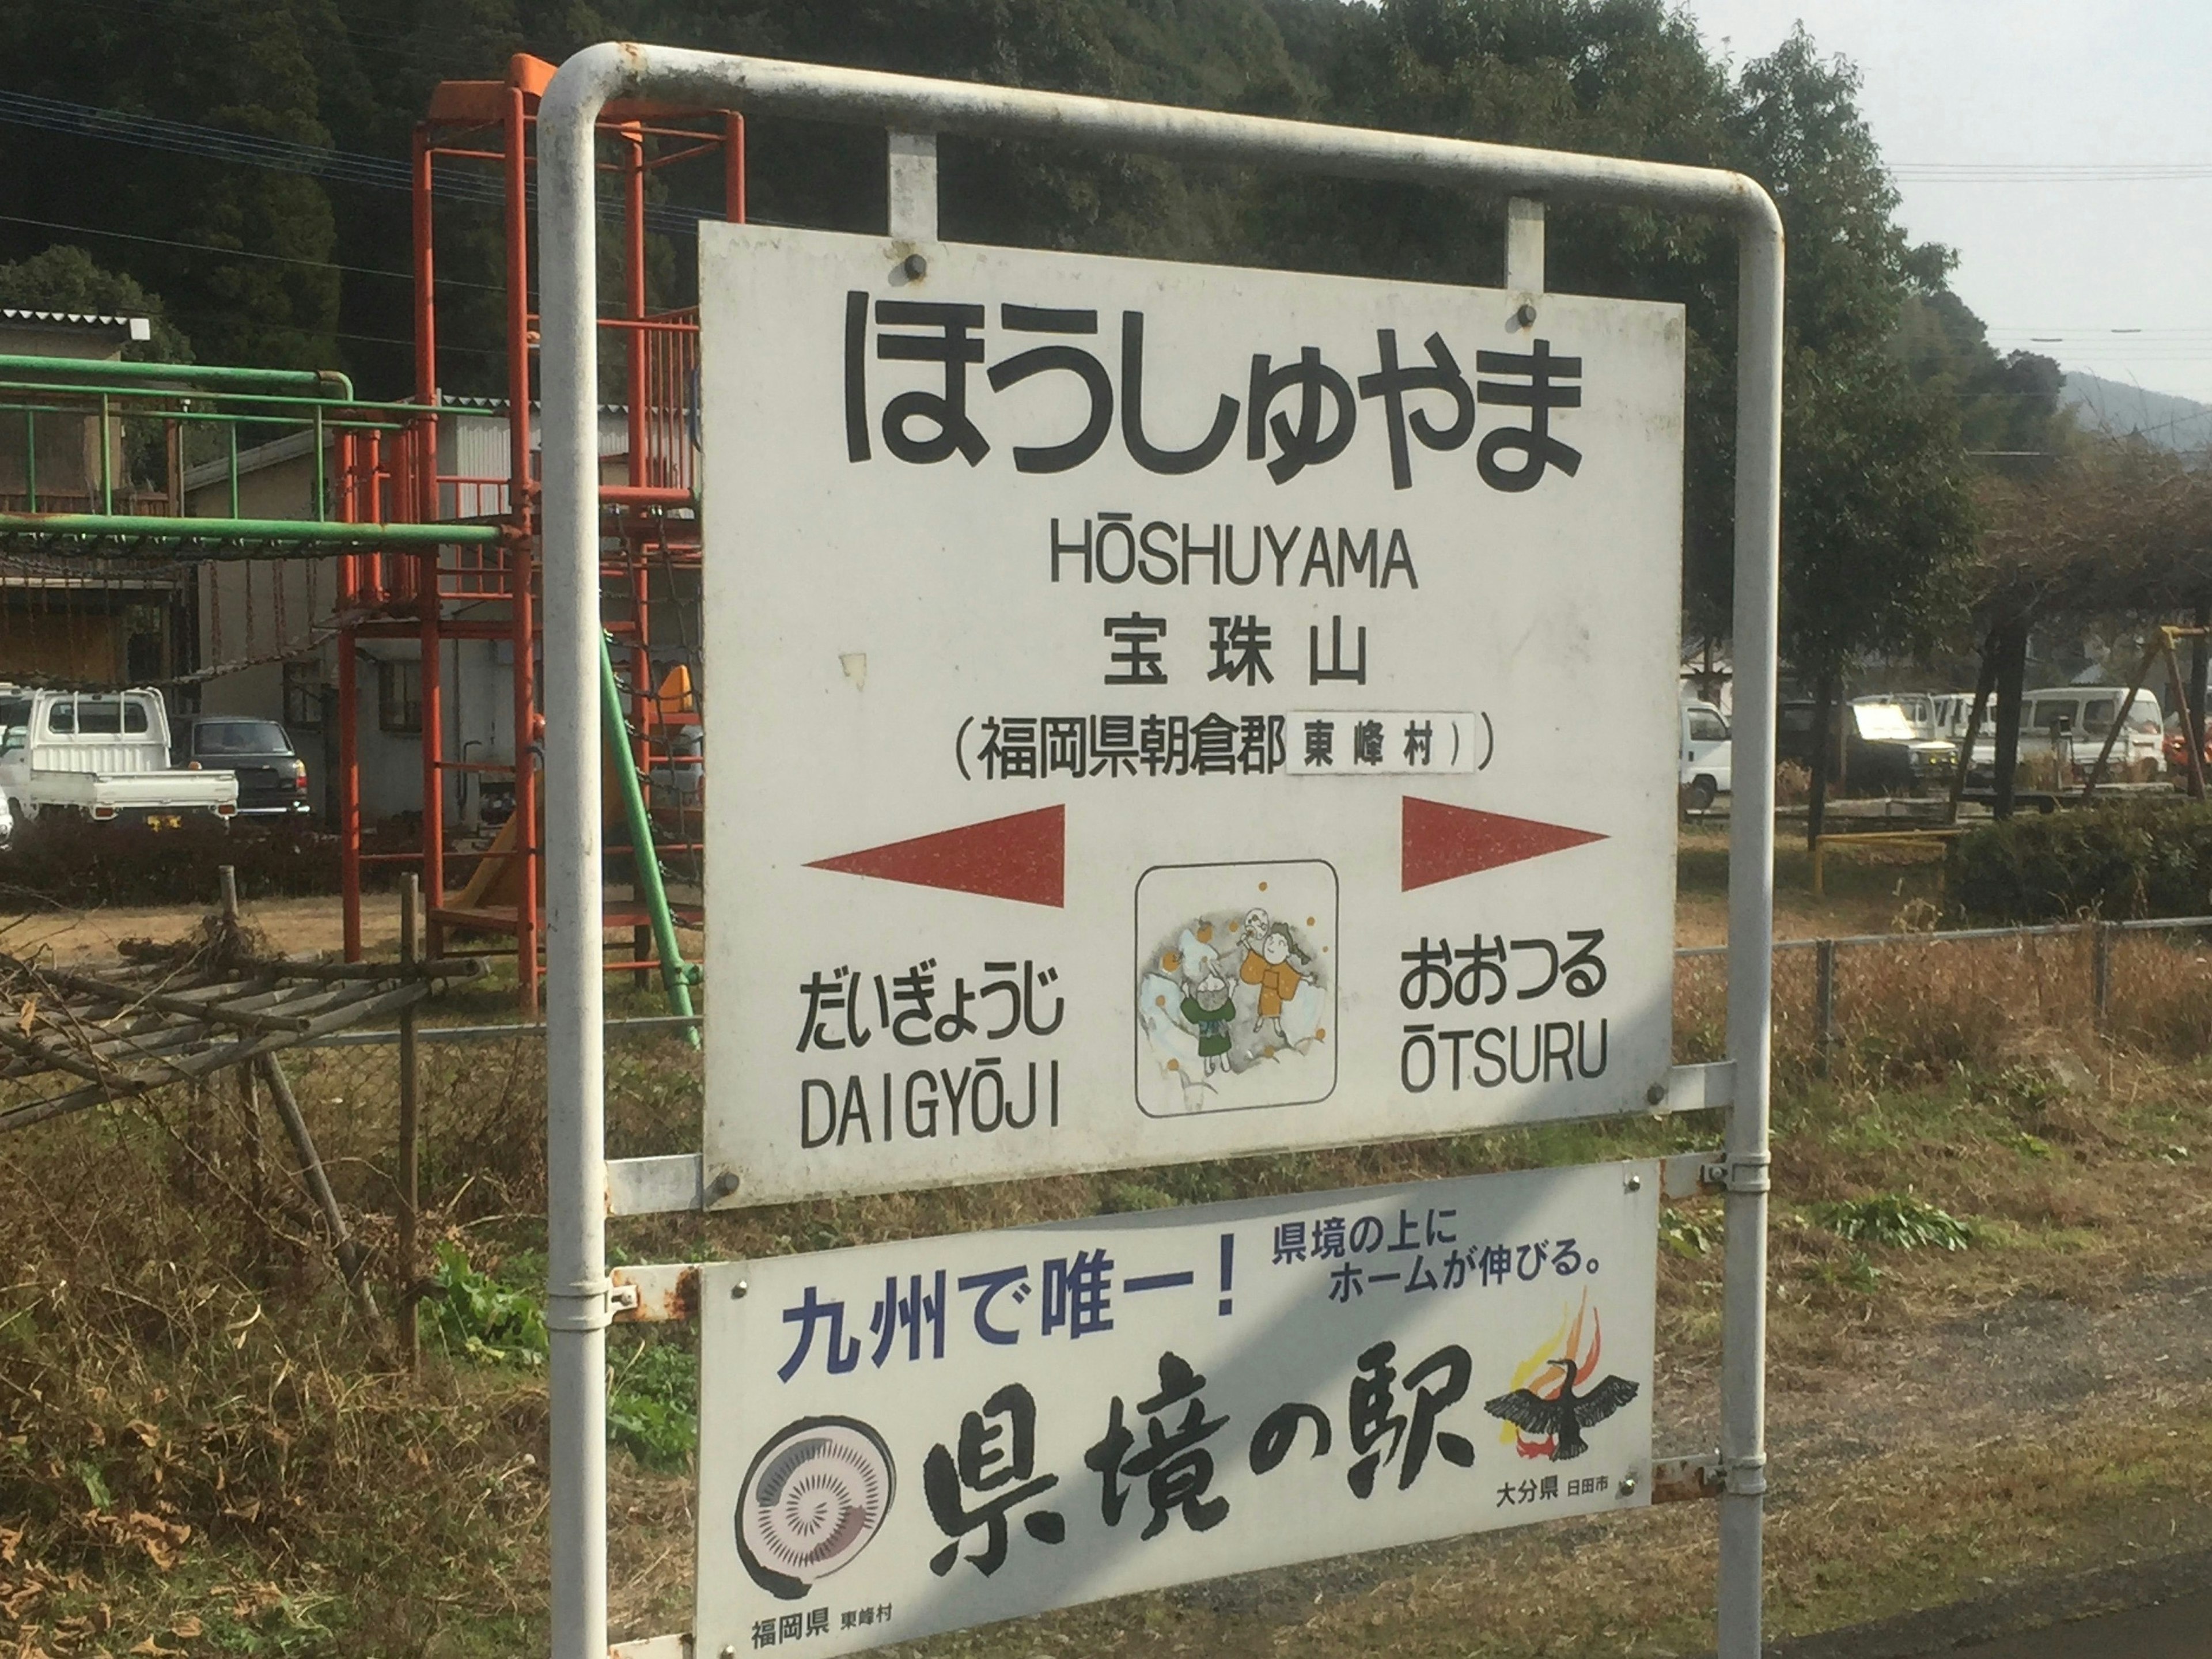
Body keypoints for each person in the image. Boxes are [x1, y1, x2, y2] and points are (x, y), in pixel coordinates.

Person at [1239, 923, 1305, 1046]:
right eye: (1271, 940)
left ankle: (1277, 1028)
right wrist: (1245, 942)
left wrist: (1307, 978)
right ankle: (1259, 1023)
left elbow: (1295, 975)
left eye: (1280, 944)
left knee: (1275, 1013)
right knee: (1263, 1012)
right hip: (1265, 992)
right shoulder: (1265, 962)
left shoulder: (1284, 968)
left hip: (1276, 994)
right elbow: (1253, 955)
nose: (1272, 946)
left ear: (1287, 953)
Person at [1180, 971, 1236, 1075]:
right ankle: (1226, 1066)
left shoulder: (1201, 1012)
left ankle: (1208, 1069)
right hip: (1221, 1035)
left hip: (1206, 1036)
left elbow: (1192, 1015)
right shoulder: (1221, 1008)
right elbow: (1229, 1008)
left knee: (1208, 1055)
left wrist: (1186, 993)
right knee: (1223, 1052)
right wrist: (1231, 988)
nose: (1210, 976)